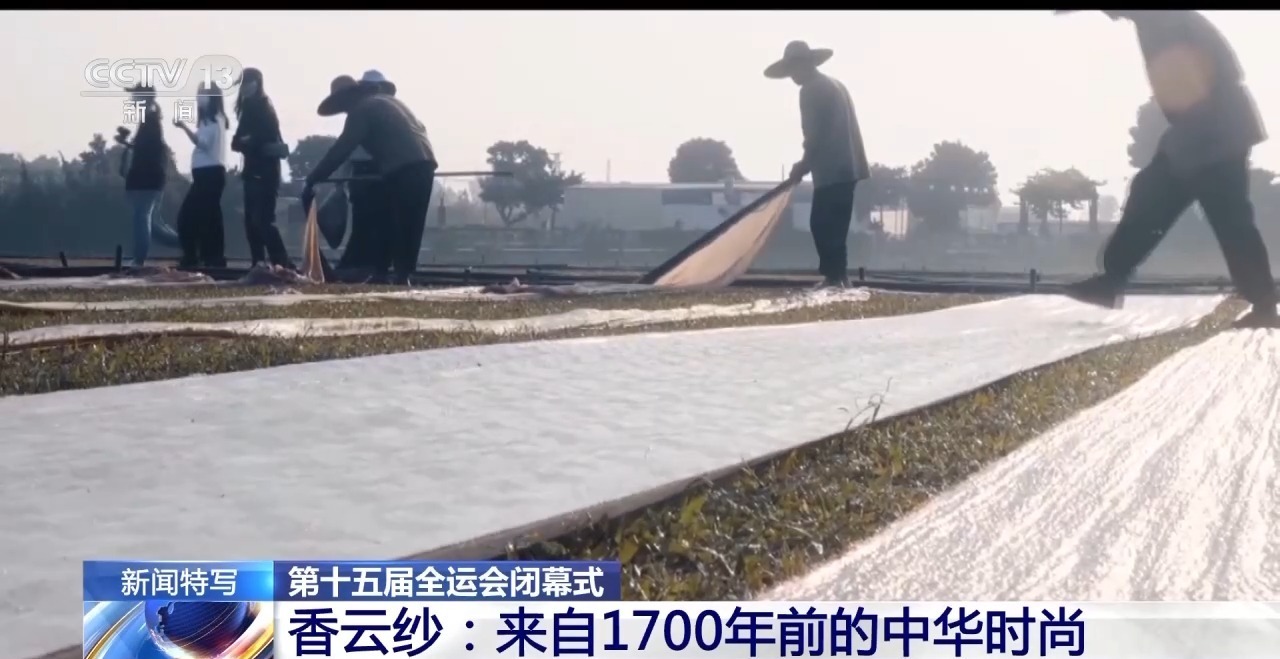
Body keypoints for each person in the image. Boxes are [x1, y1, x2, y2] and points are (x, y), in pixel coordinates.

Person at [1060, 10, 1279, 328]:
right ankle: (1112, 279)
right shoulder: (1158, 19)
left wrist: (1191, 132)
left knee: (1206, 211)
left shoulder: (1161, 18)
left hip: (1211, 127)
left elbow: (1194, 75)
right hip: (1213, 125)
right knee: (1217, 214)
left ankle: (1113, 279)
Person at [302, 74, 438, 286]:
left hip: (404, 167)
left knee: (400, 223)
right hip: (424, 163)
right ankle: (389, 272)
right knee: (405, 222)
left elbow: (342, 149)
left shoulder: (362, 110)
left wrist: (314, 178)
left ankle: (400, 275)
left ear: (348, 97)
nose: (344, 110)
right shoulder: (388, 102)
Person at [766, 40, 869, 288]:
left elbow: (815, 135)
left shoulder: (811, 90)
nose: (792, 76)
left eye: (793, 69)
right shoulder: (835, 85)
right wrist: (806, 165)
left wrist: (803, 165)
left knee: (822, 224)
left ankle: (834, 277)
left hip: (832, 169)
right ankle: (839, 277)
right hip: (849, 168)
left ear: (805, 64)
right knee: (836, 226)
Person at [230, 67, 294, 269]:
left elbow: (264, 138)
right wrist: (247, 141)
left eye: (247, 83)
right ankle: (258, 263)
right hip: (252, 171)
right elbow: (236, 143)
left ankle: (282, 263)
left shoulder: (262, 106)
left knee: (262, 220)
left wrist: (248, 141)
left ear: (257, 83)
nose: (244, 88)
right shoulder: (248, 108)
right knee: (251, 222)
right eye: (242, 84)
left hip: (265, 172)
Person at [337, 70, 397, 274]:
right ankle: (360, 264)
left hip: (377, 170)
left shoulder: (383, 112)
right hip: (362, 172)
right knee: (364, 219)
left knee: (377, 219)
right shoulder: (362, 111)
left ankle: (372, 265)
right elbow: (348, 148)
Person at [172, 83, 229, 268]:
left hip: (210, 174)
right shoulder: (206, 121)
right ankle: (202, 256)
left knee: (195, 216)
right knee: (204, 216)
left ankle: (206, 256)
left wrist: (184, 127)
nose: (200, 98)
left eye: (204, 94)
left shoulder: (215, 120)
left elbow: (203, 143)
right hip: (203, 174)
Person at [121, 85, 168, 269]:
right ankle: (190, 245)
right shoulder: (147, 120)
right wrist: (128, 144)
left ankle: (138, 261)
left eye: (135, 97)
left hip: (148, 179)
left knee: (142, 217)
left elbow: (152, 153)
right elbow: (145, 149)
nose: (132, 100)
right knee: (155, 227)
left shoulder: (151, 121)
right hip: (147, 179)